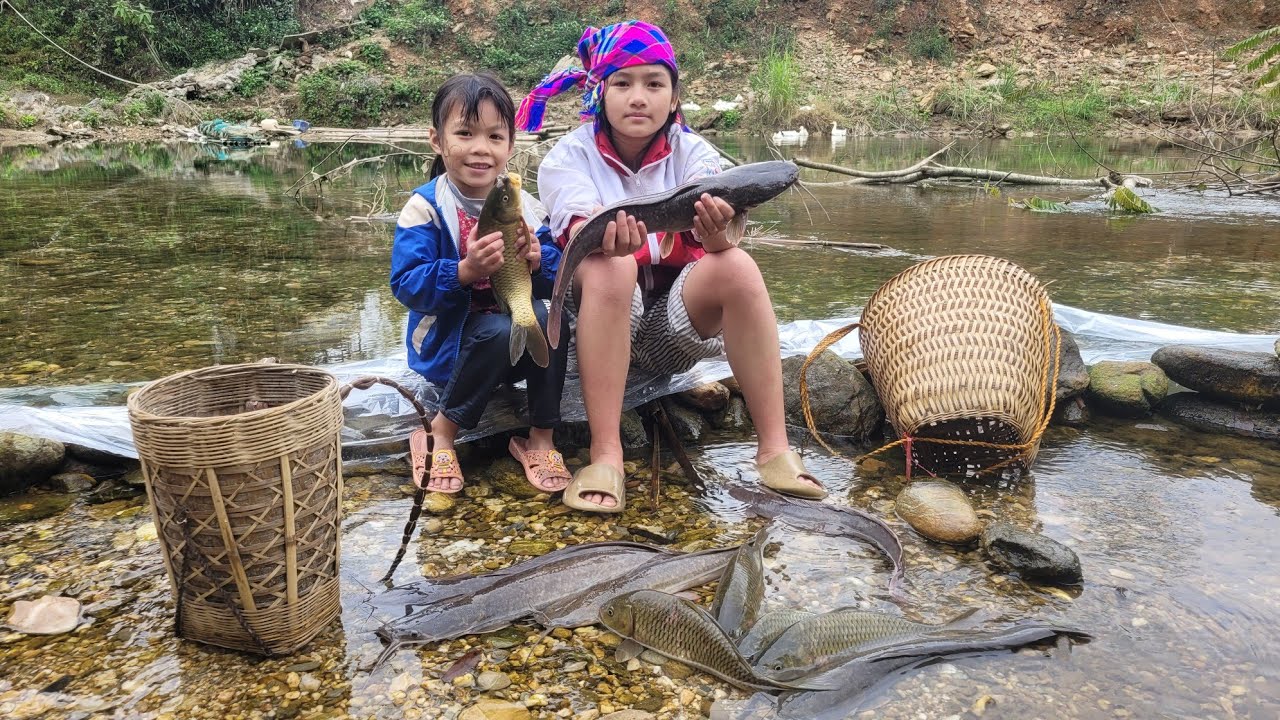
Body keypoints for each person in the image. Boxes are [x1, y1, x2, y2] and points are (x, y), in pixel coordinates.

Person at [517, 20, 826, 513]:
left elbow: (721, 238)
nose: (638, 97)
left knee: (738, 265)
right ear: (600, 93)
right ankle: (606, 456)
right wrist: (615, 246)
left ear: (674, 97)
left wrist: (718, 235)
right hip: (591, 335)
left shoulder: (695, 154)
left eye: (654, 84)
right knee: (608, 264)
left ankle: (774, 450)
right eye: (622, 83)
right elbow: (580, 234)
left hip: (669, 336)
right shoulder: (565, 158)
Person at [390, 73, 571, 496]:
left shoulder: (526, 207)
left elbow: (558, 279)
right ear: (437, 140)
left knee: (550, 318)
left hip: (513, 343)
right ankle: (440, 431)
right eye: (465, 133)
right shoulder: (425, 208)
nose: (480, 148)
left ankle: (541, 436)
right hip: (450, 346)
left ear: (510, 146)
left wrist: (540, 261)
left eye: (494, 136)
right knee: (498, 328)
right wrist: (464, 271)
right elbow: (406, 284)